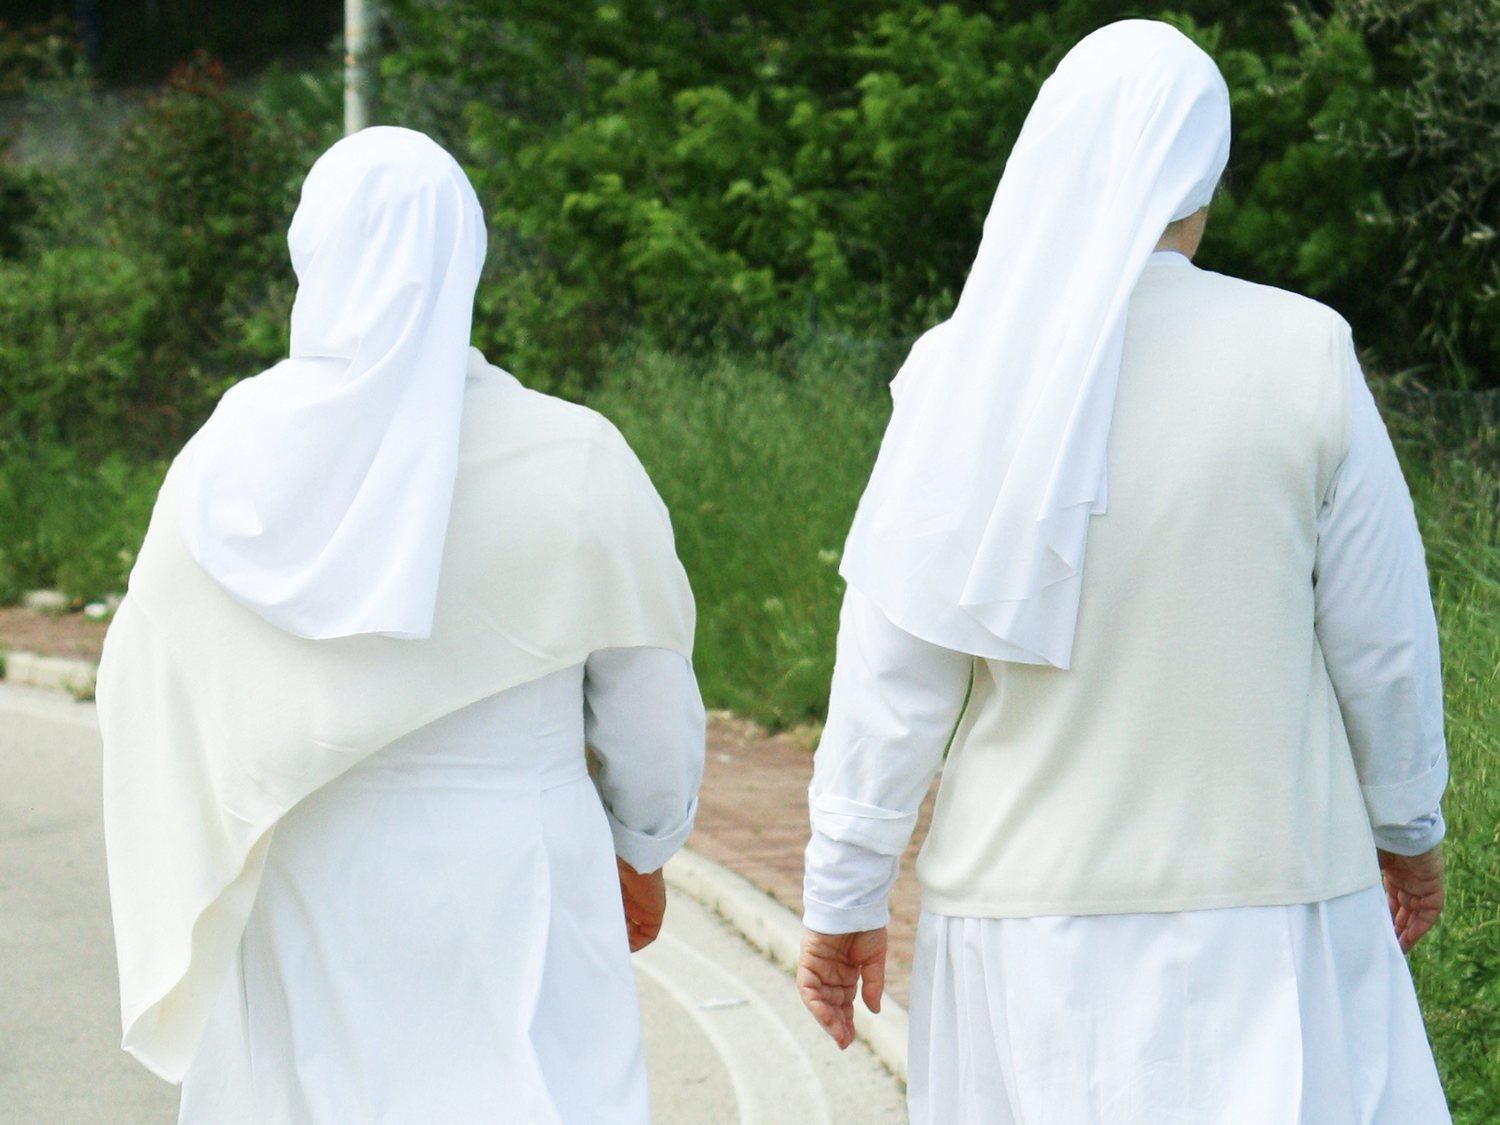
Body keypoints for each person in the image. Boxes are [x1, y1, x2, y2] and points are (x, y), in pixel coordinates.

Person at [798, 21, 1451, 1124]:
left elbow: (890, 676)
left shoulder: (958, 369)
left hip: (1020, 923)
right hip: (1272, 905)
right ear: (1206, 167)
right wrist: (1408, 829)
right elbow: (1383, 642)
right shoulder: (1305, 351)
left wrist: (844, 892)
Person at [97, 127, 705, 1123]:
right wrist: (644, 844)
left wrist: (208, 841)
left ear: (312, 252)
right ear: (468, 252)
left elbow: (150, 673)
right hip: (523, 858)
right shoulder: (578, 453)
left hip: (305, 867)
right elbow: (650, 696)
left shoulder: (228, 459)